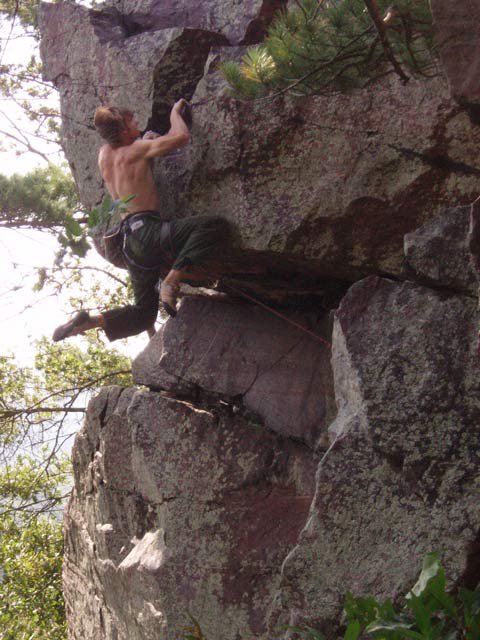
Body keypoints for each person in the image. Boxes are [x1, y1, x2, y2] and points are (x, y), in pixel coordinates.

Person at [53, 99, 229, 342]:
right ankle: (172, 280)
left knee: (144, 315)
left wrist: (145, 141)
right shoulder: (136, 150)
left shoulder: (104, 155)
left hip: (129, 243)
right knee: (213, 225)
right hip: (148, 232)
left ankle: (91, 321)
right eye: (132, 120)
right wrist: (175, 113)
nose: (137, 122)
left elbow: (132, 158)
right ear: (124, 130)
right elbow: (180, 137)